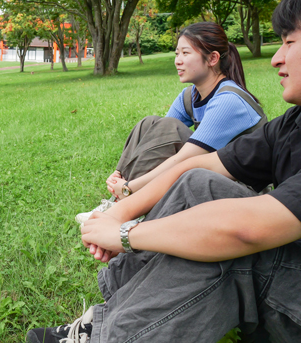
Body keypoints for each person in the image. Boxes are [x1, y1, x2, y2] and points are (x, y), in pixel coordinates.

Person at [27, 0, 301, 342]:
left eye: (289, 42)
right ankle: (114, 306)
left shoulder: (231, 99)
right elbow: (196, 166)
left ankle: (107, 332)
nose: (276, 58)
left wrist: (128, 231)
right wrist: (120, 212)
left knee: (225, 242)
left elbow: (245, 228)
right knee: (198, 184)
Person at [76, 22, 266, 224]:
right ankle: (119, 203)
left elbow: (183, 160)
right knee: (149, 123)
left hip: (244, 193)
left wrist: (130, 186)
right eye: (177, 54)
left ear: (212, 58)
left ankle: (126, 205)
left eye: (185, 53)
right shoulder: (189, 96)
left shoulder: (229, 100)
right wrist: (119, 174)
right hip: (210, 175)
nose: (178, 61)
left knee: (168, 127)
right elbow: (157, 140)